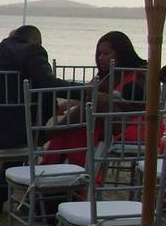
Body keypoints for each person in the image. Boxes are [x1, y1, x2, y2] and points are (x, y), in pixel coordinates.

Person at [0, 24, 78, 211]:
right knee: (21, 132)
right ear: (35, 40)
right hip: (19, 133)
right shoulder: (32, 51)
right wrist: (85, 92)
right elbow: (47, 83)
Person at [43, 30, 158, 168]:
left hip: (134, 126)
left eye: (106, 54)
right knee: (79, 121)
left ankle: (51, 138)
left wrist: (108, 98)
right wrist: (66, 104)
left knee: (95, 103)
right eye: (99, 54)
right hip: (107, 123)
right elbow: (86, 95)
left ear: (121, 52)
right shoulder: (107, 75)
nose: (100, 58)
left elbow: (137, 107)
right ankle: (63, 166)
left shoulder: (140, 75)